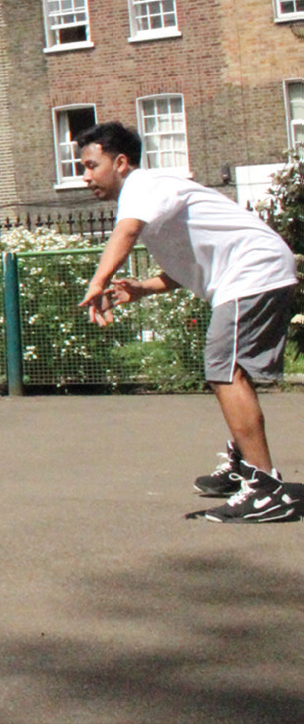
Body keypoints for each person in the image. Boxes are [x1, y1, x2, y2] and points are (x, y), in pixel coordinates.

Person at [77, 122, 300, 525]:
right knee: (232, 370)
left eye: (92, 166)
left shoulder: (142, 186)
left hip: (254, 270)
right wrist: (143, 288)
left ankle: (265, 490)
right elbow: (190, 265)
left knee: (224, 368)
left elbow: (125, 233)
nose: (85, 176)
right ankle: (246, 465)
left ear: (121, 162)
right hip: (258, 269)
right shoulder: (156, 198)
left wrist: (98, 281)